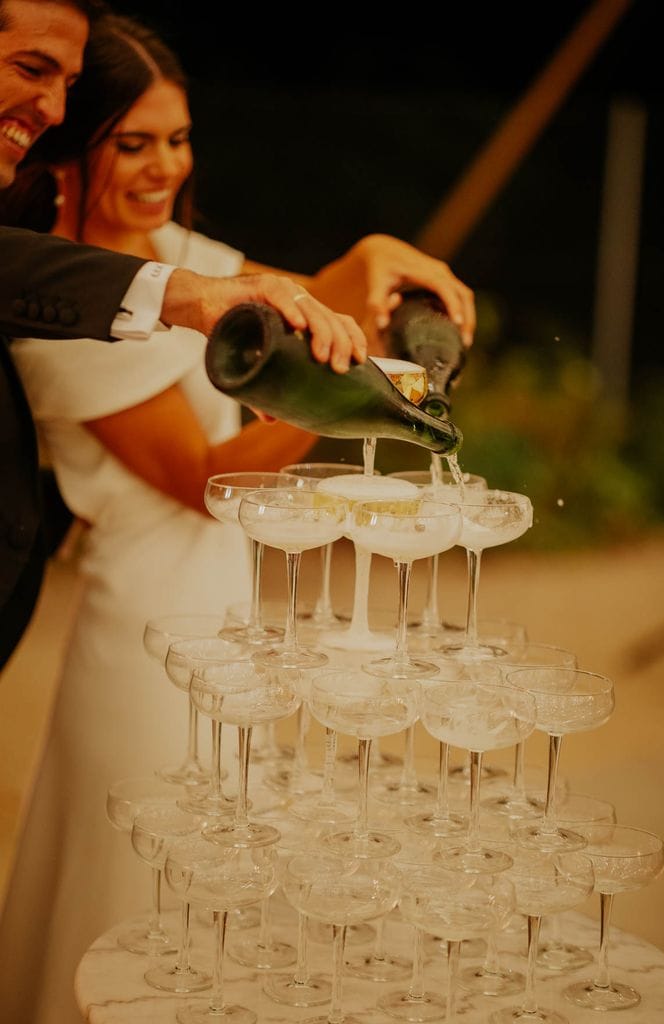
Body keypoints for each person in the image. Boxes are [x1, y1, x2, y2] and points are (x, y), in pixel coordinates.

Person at [0, 10, 477, 1023]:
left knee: (226, 886)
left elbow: (312, 297)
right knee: (139, 890)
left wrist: (382, 258)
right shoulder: (60, 310)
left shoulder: (184, 254)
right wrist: (352, 399)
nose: (162, 165)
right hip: (143, 641)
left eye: (176, 139)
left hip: (233, 621)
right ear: (72, 148)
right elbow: (206, 477)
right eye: (132, 142)